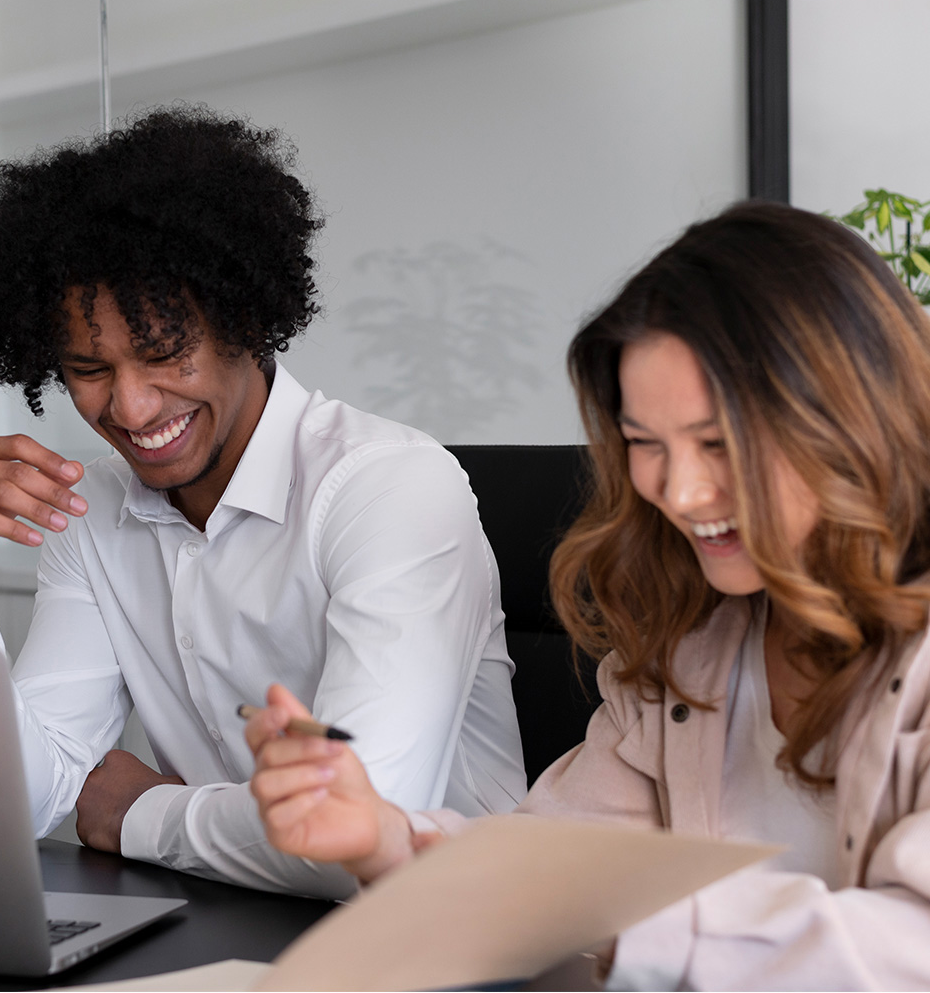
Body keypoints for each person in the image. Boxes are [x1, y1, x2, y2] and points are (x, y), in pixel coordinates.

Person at [246, 201, 930, 987]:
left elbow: (912, 944)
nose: (680, 490)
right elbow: (556, 862)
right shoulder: (698, 641)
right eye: (645, 444)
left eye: (719, 443)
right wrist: (384, 838)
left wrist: (634, 917)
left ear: (852, 421)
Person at [0, 105, 526, 898]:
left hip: (449, 943)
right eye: (89, 369)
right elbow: (30, 799)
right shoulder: (92, 514)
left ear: (246, 318)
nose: (133, 410)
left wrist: (141, 813)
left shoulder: (389, 488)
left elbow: (354, 834)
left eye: (164, 353)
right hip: (224, 926)